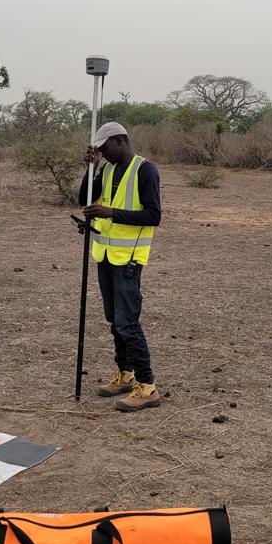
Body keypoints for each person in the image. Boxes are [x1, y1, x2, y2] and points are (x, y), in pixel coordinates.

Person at [78, 121, 162, 412]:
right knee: (115, 320)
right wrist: (91, 168)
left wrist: (110, 212)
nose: (103, 154)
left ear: (119, 141)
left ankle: (147, 386)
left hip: (129, 260)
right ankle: (125, 375)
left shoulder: (145, 170)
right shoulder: (107, 169)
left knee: (128, 322)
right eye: (98, 151)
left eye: (104, 149)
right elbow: (82, 200)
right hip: (105, 256)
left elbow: (153, 215)